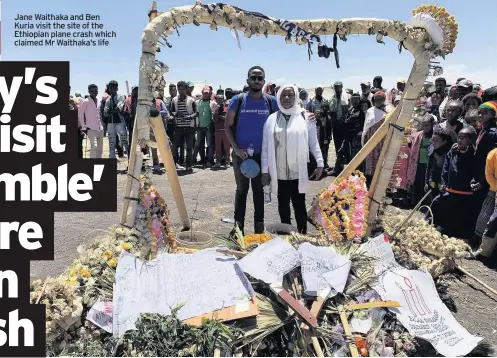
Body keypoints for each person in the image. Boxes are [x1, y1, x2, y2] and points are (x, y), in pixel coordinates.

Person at [261, 85, 324, 234]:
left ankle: (302, 237)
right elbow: (265, 147)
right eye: (283, 95)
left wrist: (320, 163)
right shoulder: (271, 119)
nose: (287, 98)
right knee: (283, 205)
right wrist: (265, 171)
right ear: (278, 97)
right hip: (279, 172)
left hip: (298, 172)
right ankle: (286, 237)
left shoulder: (306, 117)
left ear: (296, 97)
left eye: (290, 95)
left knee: (299, 205)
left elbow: (314, 142)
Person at [225, 66, 278, 234]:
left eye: (259, 78)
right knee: (241, 191)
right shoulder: (238, 100)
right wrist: (236, 148)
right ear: (247, 80)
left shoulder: (271, 101)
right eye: (253, 77)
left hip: (262, 156)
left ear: (264, 81)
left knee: (259, 191)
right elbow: (227, 126)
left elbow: (283, 122)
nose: (256, 80)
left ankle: (259, 230)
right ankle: (238, 229)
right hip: (241, 155)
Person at [431, 127, 477, 239]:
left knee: (459, 215)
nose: (460, 140)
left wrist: (475, 181)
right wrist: (443, 182)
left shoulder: (474, 155)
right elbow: (446, 168)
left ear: (470, 141)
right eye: (459, 137)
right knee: (438, 205)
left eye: (463, 138)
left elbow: (477, 170)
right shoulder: (453, 152)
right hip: (450, 190)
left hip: (464, 193)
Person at [472, 101, 497, 244]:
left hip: (488, 176)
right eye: (479, 112)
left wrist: (483, 180)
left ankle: (480, 239)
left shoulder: (493, 133)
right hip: (480, 173)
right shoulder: (482, 130)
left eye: (485, 113)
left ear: (493, 115)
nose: (480, 115)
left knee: (485, 209)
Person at [473, 147, 497, 261]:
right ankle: (483, 251)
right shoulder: (493, 154)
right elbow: (489, 175)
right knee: (490, 220)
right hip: (494, 189)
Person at [362, 91, 392, 183]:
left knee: (381, 159)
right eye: (376, 99)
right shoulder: (370, 111)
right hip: (371, 138)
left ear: (384, 100)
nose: (378, 101)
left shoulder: (389, 110)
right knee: (370, 160)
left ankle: (381, 182)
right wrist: (365, 139)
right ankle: (370, 181)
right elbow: (366, 126)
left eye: (380, 99)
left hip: (383, 139)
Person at [406, 115, 434, 205]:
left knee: (426, 184)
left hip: (429, 165)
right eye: (424, 125)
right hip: (418, 164)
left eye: (428, 125)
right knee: (417, 183)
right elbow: (411, 143)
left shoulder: (434, 136)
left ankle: (425, 203)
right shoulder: (419, 135)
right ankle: (415, 203)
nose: (426, 127)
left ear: (432, 125)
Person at [171, 81, 197, 171]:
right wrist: (176, 114)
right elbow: (172, 111)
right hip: (179, 126)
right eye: (180, 89)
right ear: (177, 89)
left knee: (189, 147)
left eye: (183, 89)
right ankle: (175, 164)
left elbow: (196, 113)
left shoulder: (191, 100)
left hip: (189, 127)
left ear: (186, 89)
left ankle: (189, 165)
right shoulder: (174, 100)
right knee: (175, 147)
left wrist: (189, 117)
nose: (181, 91)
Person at [339, 95, 369, 168]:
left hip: (358, 137)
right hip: (349, 136)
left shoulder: (362, 112)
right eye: (353, 100)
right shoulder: (350, 110)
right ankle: (337, 170)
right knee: (341, 152)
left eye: (356, 100)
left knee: (356, 156)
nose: (355, 102)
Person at [425, 126, 454, 199]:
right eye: (432, 140)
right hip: (432, 185)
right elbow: (428, 168)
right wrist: (426, 182)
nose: (433, 143)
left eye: (436, 140)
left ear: (444, 141)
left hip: (443, 188)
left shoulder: (449, 155)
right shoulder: (433, 152)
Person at [104, 80, 129, 159]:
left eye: (114, 87)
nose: (112, 89)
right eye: (111, 87)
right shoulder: (108, 99)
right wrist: (112, 111)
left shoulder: (121, 97)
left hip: (119, 122)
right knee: (111, 143)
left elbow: (119, 109)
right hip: (111, 123)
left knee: (124, 141)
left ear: (117, 88)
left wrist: (110, 111)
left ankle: (130, 160)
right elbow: (105, 113)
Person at [306, 87, 330, 169]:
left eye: (320, 90)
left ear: (322, 91)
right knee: (314, 145)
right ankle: (315, 164)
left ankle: (324, 163)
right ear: (315, 91)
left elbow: (328, 113)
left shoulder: (325, 101)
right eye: (317, 90)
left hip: (324, 126)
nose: (319, 92)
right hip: (314, 125)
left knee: (324, 145)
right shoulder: (311, 102)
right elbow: (308, 113)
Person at [78, 84, 104, 159]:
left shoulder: (98, 101)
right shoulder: (86, 101)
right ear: (89, 91)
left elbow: (99, 114)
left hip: (100, 129)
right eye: (92, 91)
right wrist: (83, 127)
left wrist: (103, 126)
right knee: (94, 147)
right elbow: (80, 114)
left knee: (100, 149)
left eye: (95, 90)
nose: (94, 92)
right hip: (91, 129)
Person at [329, 81, 349, 175]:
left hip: (344, 124)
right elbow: (330, 110)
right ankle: (339, 165)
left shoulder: (347, 97)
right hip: (336, 125)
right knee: (337, 145)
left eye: (339, 86)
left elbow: (349, 110)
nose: (337, 88)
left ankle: (345, 165)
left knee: (344, 145)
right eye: (335, 87)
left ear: (342, 87)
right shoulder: (332, 98)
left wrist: (343, 119)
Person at [195, 86, 216, 167]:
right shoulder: (198, 102)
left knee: (210, 145)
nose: (206, 94)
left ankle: (210, 160)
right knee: (200, 145)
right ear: (202, 92)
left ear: (210, 93)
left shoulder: (213, 103)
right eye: (204, 93)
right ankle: (203, 159)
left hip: (209, 127)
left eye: (207, 93)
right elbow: (197, 113)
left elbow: (214, 114)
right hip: (200, 127)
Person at [213, 94, 231, 168]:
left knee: (226, 147)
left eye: (221, 98)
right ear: (216, 100)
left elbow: (227, 118)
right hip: (218, 130)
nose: (220, 100)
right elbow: (215, 119)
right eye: (218, 98)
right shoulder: (215, 108)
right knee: (217, 147)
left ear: (223, 99)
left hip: (225, 130)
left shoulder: (226, 107)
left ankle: (227, 162)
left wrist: (220, 116)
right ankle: (218, 162)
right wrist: (218, 114)